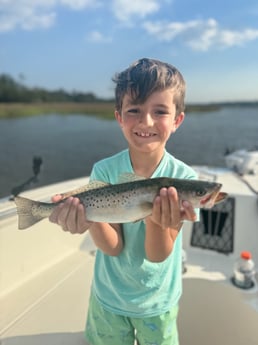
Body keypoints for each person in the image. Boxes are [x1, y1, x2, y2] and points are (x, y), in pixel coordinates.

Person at [49, 58, 198, 345]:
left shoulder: (184, 179)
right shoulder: (104, 171)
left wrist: (156, 220)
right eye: (134, 111)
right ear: (119, 117)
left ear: (177, 120)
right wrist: (88, 217)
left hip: (158, 303)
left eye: (160, 111)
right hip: (109, 297)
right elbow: (112, 247)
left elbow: (157, 255)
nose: (146, 122)